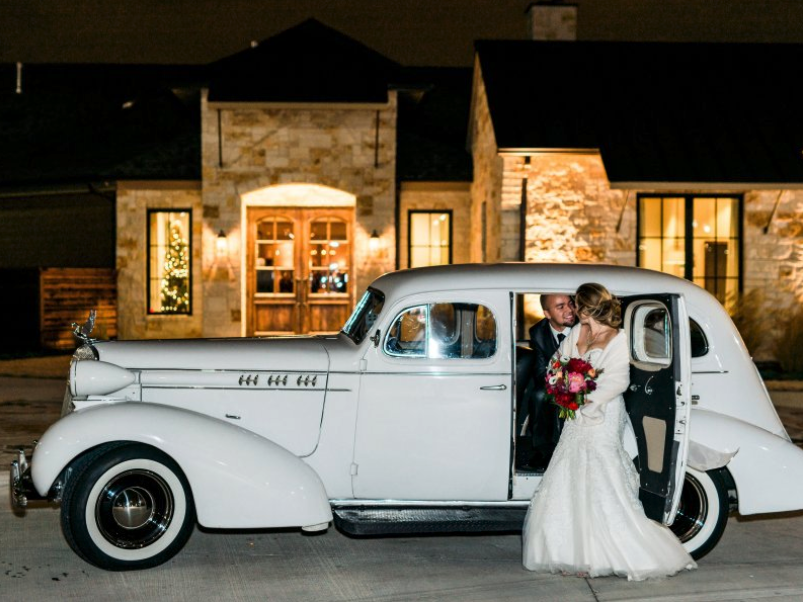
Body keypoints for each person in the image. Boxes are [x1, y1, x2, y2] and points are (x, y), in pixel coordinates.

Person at [522, 283, 696, 581]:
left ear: (590, 307)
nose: (573, 309)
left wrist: (589, 402)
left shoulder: (618, 338)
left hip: (602, 414)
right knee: (568, 471)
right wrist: (565, 389)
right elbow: (555, 364)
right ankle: (569, 552)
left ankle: (608, 552)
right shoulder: (578, 332)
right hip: (576, 414)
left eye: (577, 305)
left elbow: (618, 381)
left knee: (600, 472)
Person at [523, 294, 576, 470]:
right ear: (547, 314)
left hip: (584, 383)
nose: (569, 310)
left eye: (570, 304)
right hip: (554, 383)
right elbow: (540, 373)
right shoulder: (538, 332)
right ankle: (543, 451)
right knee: (539, 395)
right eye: (561, 307)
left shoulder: (584, 326)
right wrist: (561, 384)